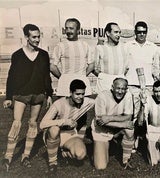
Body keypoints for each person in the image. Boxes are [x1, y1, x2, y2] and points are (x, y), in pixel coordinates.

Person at [2, 24, 53, 172]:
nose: (37, 40)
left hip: (38, 95)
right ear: (26, 37)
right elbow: (11, 77)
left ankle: (25, 156)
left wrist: (49, 94)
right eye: (34, 37)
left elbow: (46, 76)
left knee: (32, 124)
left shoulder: (43, 55)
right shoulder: (17, 55)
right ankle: (8, 157)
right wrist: (8, 97)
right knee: (17, 123)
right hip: (21, 95)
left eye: (38, 36)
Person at [40, 79, 95, 176]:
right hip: (53, 134)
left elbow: (101, 101)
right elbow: (42, 124)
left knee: (80, 154)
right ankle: (53, 163)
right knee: (54, 129)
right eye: (77, 94)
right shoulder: (59, 104)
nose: (80, 97)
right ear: (70, 92)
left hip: (69, 135)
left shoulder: (86, 102)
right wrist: (64, 121)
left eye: (82, 94)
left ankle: (62, 154)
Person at [91, 78, 134, 170]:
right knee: (100, 166)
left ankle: (126, 160)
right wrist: (123, 125)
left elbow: (128, 117)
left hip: (115, 128)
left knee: (129, 130)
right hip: (101, 130)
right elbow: (100, 122)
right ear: (112, 87)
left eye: (123, 89)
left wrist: (109, 118)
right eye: (118, 88)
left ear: (126, 89)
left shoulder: (128, 95)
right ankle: (106, 146)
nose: (120, 91)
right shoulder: (102, 96)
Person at [125, 21, 160, 119]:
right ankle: (134, 134)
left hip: (149, 85)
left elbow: (156, 67)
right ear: (135, 32)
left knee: (147, 114)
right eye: (139, 32)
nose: (142, 34)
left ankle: (147, 134)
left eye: (144, 32)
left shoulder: (153, 47)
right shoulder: (127, 46)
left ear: (147, 32)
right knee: (134, 114)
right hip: (132, 85)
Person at [50, 18, 93, 96]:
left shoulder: (85, 45)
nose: (68, 31)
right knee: (65, 107)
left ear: (78, 30)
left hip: (82, 81)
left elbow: (91, 64)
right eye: (66, 28)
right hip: (65, 83)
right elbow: (52, 66)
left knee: (82, 107)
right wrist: (62, 77)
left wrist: (82, 75)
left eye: (71, 28)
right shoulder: (60, 45)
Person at [93, 22, 128, 94]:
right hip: (104, 83)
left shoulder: (124, 48)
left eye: (119, 32)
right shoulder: (100, 48)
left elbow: (126, 67)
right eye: (116, 32)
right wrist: (103, 76)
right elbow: (94, 67)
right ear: (108, 33)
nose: (118, 35)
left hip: (120, 82)